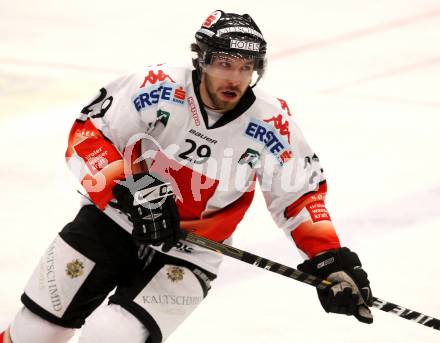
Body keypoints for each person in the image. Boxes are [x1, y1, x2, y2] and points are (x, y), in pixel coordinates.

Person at [1, 10, 373, 343]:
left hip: (192, 252)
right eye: (226, 63)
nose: (236, 78)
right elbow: (88, 134)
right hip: (111, 222)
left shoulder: (272, 123)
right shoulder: (155, 87)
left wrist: (328, 258)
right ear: (202, 59)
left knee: (110, 336)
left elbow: (299, 196)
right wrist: (128, 186)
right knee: (37, 332)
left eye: (247, 67)